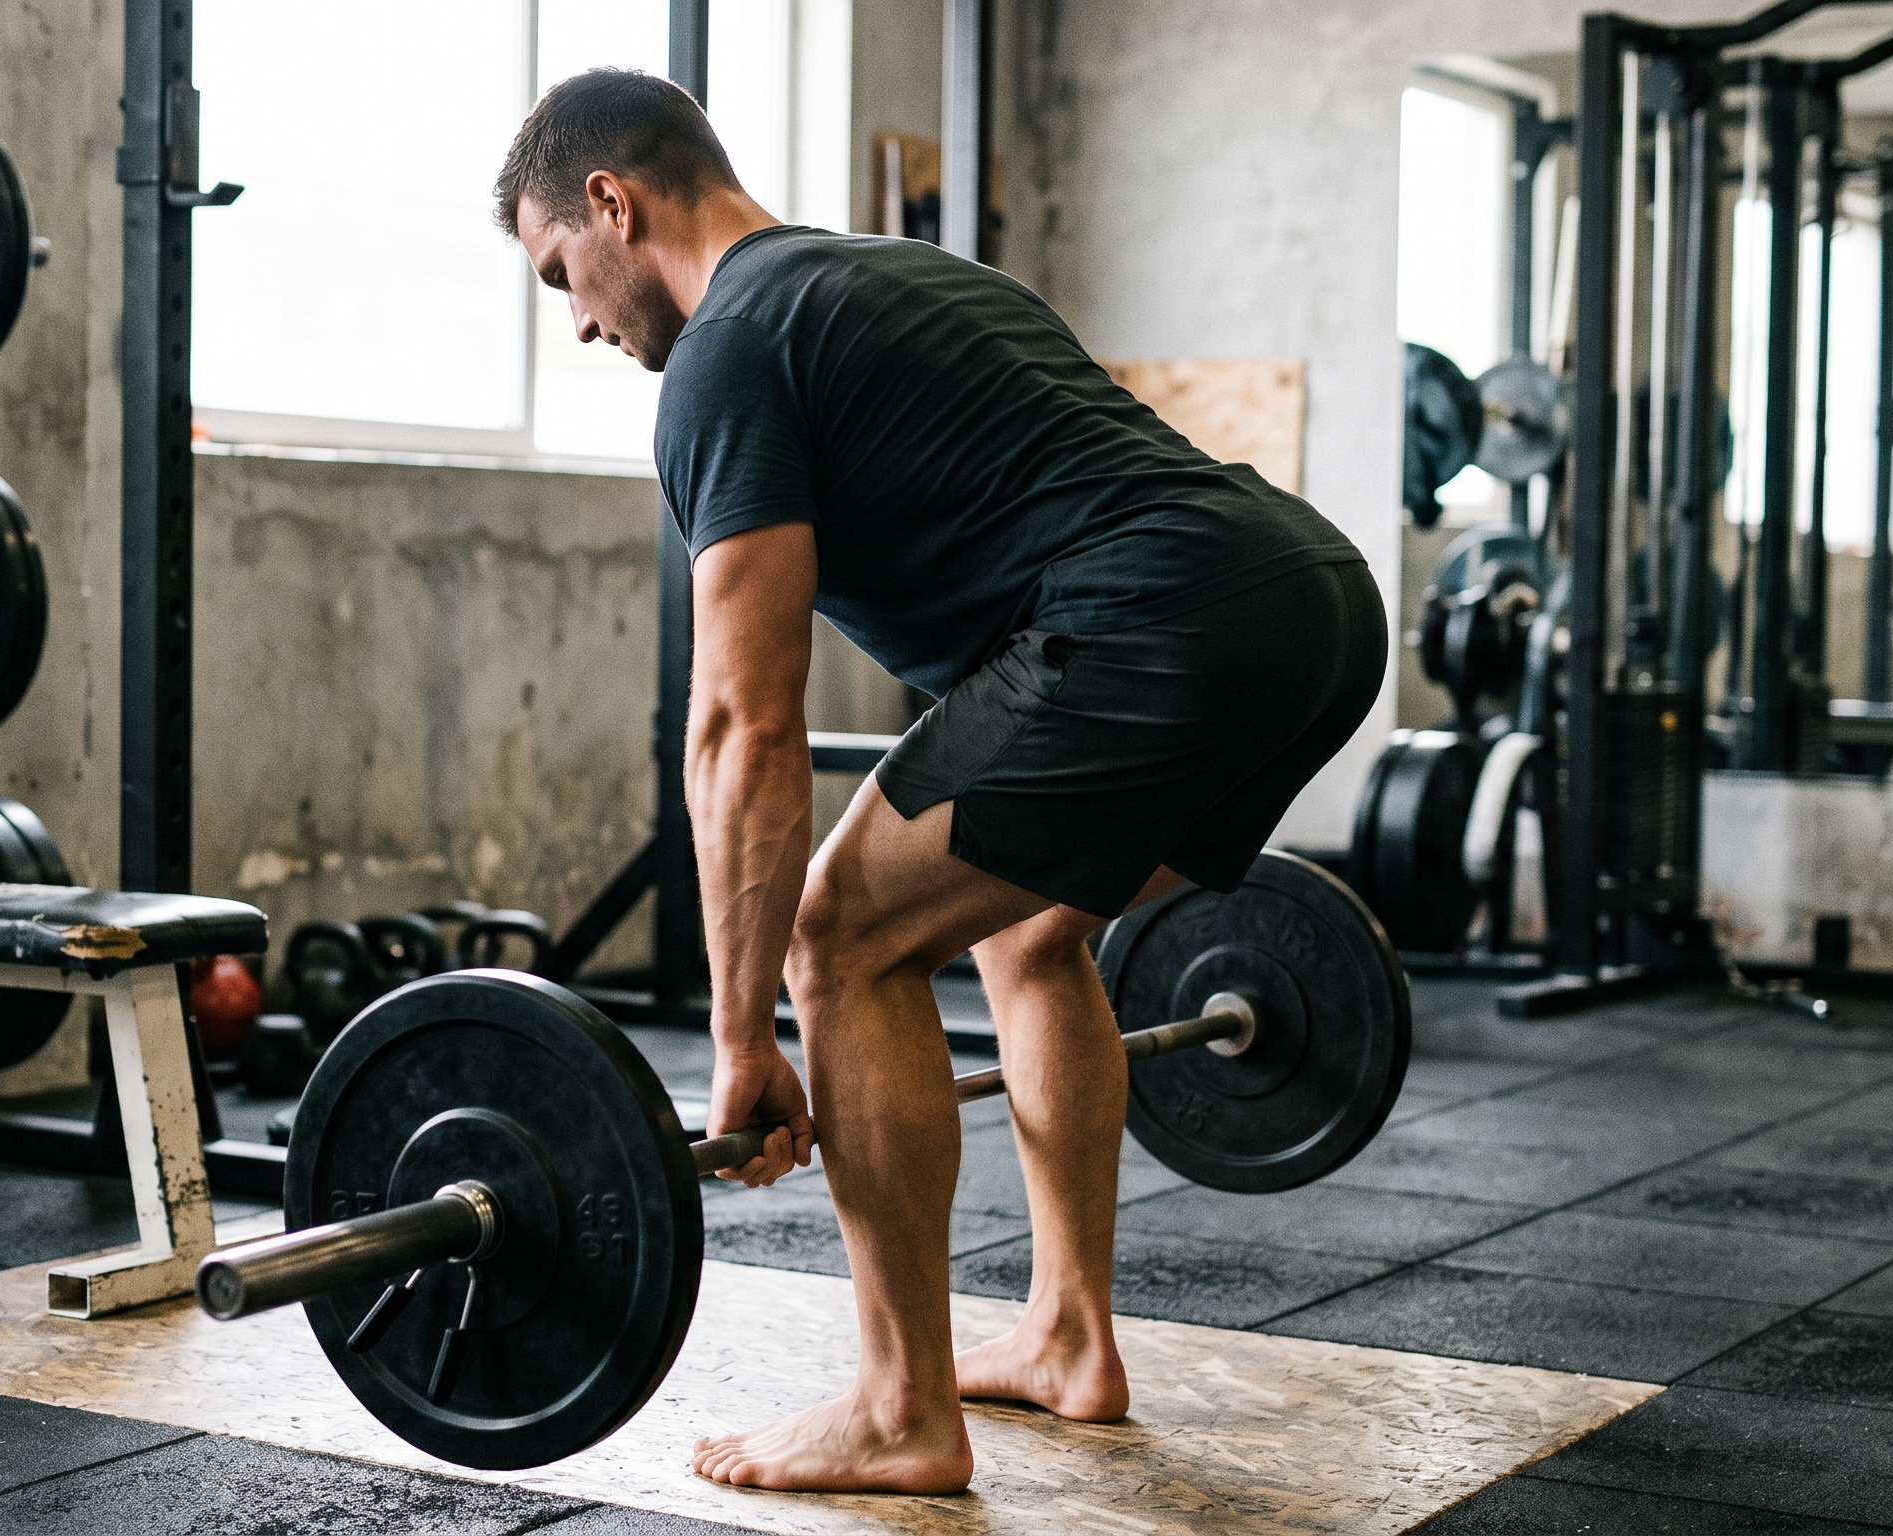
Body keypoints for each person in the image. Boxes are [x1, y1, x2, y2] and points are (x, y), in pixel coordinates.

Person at [495, 70, 1383, 1495]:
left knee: (839, 934)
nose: (584, 322)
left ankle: (899, 1408)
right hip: (1313, 601)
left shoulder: (728, 351)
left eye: (562, 276)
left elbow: (741, 727)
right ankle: (1067, 1337)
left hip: (1158, 620)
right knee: (1027, 930)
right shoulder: (902, 273)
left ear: (612, 203)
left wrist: (741, 1035)